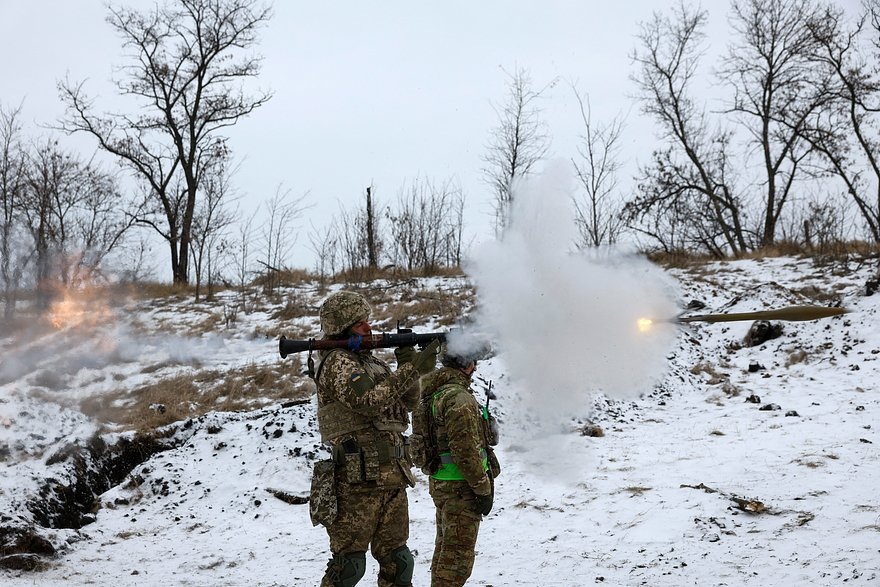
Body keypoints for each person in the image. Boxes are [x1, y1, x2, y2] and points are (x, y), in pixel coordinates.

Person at [311, 290, 439, 587]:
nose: (369, 328)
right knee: (350, 566)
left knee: (399, 562)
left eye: (367, 321)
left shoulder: (373, 363)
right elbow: (368, 401)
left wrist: (409, 365)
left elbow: (407, 401)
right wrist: (411, 369)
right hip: (356, 482)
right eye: (360, 323)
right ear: (342, 328)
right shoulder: (337, 363)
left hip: (393, 477)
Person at [419, 349, 501, 587]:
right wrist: (483, 490)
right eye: (473, 362)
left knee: (446, 551)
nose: (475, 367)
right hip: (461, 488)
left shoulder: (437, 393)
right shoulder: (459, 399)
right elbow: (465, 452)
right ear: (466, 364)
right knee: (456, 561)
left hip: (444, 484)